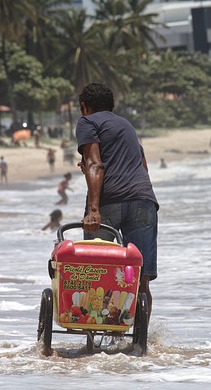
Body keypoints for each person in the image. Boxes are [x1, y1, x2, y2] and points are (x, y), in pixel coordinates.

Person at [76, 82, 159, 322]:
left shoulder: (87, 122)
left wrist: (93, 210)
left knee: (95, 274)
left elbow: (95, 164)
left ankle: (97, 334)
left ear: (84, 106)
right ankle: (138, 345)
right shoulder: (127, 125)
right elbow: (141, 166)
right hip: (144, 201)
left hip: (109, 201)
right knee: (140, 280)